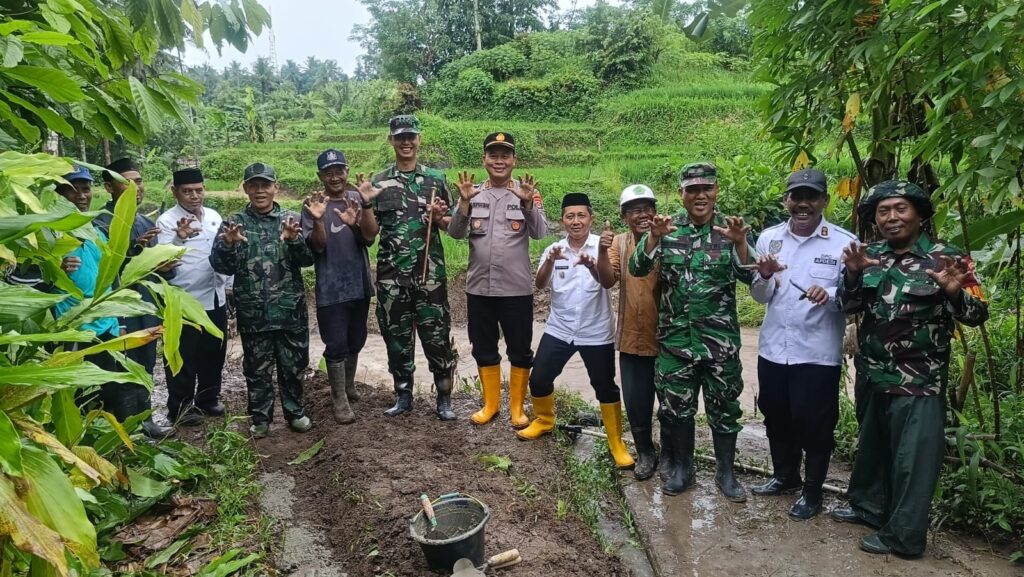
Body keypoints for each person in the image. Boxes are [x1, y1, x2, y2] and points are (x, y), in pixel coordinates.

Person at [831, 180, 988, 556]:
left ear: (919, 213)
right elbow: (847, 305)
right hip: (873, 373)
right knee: (874, 449)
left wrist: (953, 291)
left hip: (919, 380)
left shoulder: (948, 258)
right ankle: (869, 508)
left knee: (912, 462)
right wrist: (852, 275)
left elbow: (978, 315)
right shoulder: (871, 255)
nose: (891, 217)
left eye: (900, 209)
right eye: (883, 211)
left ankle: (904, 537)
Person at [630, 162, 755, 501]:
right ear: (681, 194)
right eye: (693, 190)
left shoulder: (732, 230)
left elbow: (751, 276)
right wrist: (653, 236)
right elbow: (637, 268)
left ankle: (726, 474)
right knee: (676, 409)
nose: (701, 196)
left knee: (724, 409)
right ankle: (684, 470)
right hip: (676, 344)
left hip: (720, 344)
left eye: (707, 189)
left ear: (716, 191)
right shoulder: (667, 228)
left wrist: (742, 244)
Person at [748, 169, 857, 519]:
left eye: (812, 197)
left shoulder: (843, 243)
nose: (803, 204)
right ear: (787, 200)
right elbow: (759, 296)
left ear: (824, 201)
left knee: (815, 422)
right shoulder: (769, 239)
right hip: (773, 349)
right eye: (797, 197)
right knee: (776, 414)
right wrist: (764, 275)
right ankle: (785, 476)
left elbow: (854, 299)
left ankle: (813, 492)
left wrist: (831, 294)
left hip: (817, 353)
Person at [517, 193, 634, 470]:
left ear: (590, 219)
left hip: (596, 331)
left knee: (604, 386)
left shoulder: (603, 246)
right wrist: (548, 261)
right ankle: (544, 420)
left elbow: (607, 283)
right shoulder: (554, 249)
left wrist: (595, 264)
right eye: (570, 216)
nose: (576, 221)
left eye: (581, 215)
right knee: (540, 378)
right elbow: (541, 284)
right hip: (560, 328)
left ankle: (615, 441)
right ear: (562, 220)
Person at [353, 114, 458, 420]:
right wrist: (367, 204)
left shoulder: (437, 180)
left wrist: (438, 216)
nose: (406, 142)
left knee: (437, 336)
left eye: (411, 136)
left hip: (430, 276)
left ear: (419, 139)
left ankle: (444, 397)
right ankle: (403, 395)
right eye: (400, 137)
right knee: (396, 339)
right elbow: (370, 235)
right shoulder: (378, 183)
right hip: (391, 277)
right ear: (391, 141)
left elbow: (452, 225)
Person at [447, 132, 548, 428]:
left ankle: (517, 408)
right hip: (479, 288)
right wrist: (464, 204)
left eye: (505, 155)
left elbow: (541, 233)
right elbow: (455, 232)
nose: (499, 160)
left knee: (520, 348)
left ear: (514, 160)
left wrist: (528, 205)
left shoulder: (528, 192)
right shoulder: (472, 193)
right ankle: (490, 404)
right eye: (494, 155)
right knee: (483, 347)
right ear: (484, 159)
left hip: (516, 289)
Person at [210, 162, 315, 438]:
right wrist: (229, 244)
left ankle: (295, 412)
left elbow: (308, 259)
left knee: (293, 366)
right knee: (257, 370)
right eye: (253, 185)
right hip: (254, 313)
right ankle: (260, 418)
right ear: (245, 188)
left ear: (275, 187)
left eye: (265, 185)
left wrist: (294, 240)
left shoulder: (291, 219)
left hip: (290, 311)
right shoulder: (234, 223)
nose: (260, 191)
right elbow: (220, 266)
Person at [97, 157, 174, 439]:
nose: (136, 188)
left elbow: (153, 273)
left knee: (145, 365)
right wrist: (133, 250)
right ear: (108, 186)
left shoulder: (144, 222)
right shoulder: (100, 223)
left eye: (139, 181)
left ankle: (146, 419)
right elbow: (104, 270)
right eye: (127, 182)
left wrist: (165, 266)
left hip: (145, 308)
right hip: (119, 311)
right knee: (123, 368)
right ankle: (128, 430)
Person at [301, 149, 373, 424]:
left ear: (347, 171)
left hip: (359, 283)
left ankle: (349, 385)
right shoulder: (313, 204)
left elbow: (368, 238)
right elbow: (317, 247)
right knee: (336, 344)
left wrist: (359, 218)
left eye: (339, 171)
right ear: (320, 176)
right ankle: (338, 399)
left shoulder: (357, 198)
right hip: (331, 288)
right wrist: (319, 219)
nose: (335, 177)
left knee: (357, 340)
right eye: (328, 172)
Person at [595, 184, 662, 480]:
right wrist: (599, 250)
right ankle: (645, 451)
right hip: (633, 337)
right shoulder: (619, 244)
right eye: (635, 210)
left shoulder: (668, 238)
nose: (643, 215)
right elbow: (608, 281)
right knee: (637, 403)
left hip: (670, 339)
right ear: (624, 217)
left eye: (648, 208)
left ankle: (673, 454)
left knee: (673, 404)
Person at [156, 167, 229, 426]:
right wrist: (179, 238)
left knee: (214, 351)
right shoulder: (167, 221)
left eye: (198, 190)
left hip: (215, 297)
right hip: (183, 300)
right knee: (182, 357)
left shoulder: (213, 216)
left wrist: (229, 285)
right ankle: (181, 408)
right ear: (175, 191)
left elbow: (222, 252)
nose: (194, 196)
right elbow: (161, 259)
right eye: (187, 191)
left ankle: (208, 399)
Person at [53, 166, 122, 399]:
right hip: (73, 327)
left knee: (107, 389)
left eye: (86, 189)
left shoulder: (95, 230)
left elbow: (110, 276)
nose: (82, 196)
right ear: (59, 194)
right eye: (73, 191)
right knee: (77, 394)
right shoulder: (49, 231)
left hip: (106, 324)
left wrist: (118, 318)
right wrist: (55, 269)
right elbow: (25, 277)